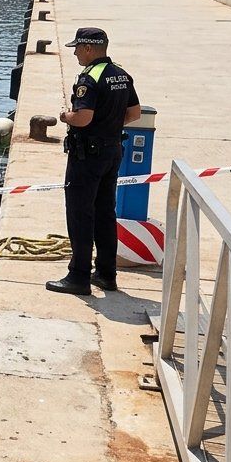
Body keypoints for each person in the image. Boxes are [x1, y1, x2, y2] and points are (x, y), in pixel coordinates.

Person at [46, 27, 141, 296]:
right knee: (105, 212)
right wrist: (107, 126)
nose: (75, 52)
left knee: (80, 213)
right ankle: (106, 274)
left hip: (87, 156)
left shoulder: (90, 77)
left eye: (77, 47)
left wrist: (66, 116)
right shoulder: (121, 74)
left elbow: (83, 118)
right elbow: (133, 113)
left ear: (89, 48)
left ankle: (78, 276)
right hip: (112, 151)